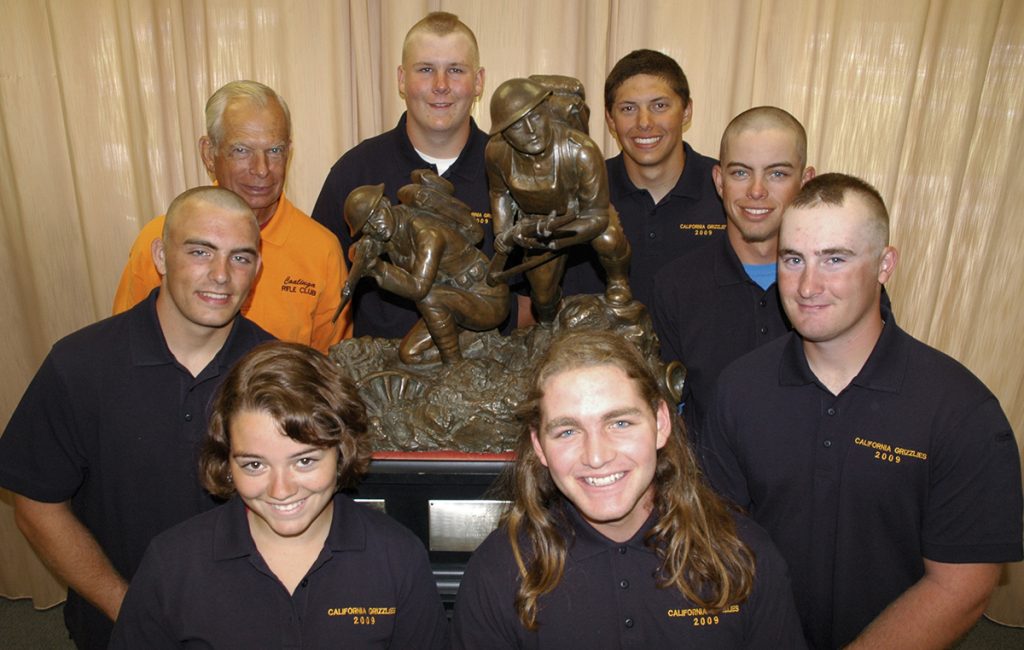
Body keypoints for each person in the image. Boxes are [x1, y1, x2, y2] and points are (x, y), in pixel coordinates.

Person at [700, 173, 1023, 649]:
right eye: (793, 260)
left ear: (884, 264)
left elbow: (961, 585)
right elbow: (719, 539)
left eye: (835, 259)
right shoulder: (739, 389)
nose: (808, 285)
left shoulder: (960, 409)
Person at [0, 187, 274, 649]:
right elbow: (36, 503)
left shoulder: (279, 371)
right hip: (118, 624)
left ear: (257, 270)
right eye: (201, 251)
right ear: (162, 256)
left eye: (241, 258)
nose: (222, 275)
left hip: (250, 626)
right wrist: (128, 606)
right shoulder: (79, 365)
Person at [452, 330, 805, 648]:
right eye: (568, 431)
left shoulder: (743, 554)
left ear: (661, 424)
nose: (596, 456)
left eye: (620, 423)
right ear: (539, 446)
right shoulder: (498, 573)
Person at [109, 341, 449, 648]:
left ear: (341, 451)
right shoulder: (171, 564)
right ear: (227, 461)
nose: (281, 490)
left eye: (304, 461)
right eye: (255, 465)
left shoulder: (398, 557)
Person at [313, 12, 517, 336]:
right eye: (425, 69)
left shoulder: (512, 169)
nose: (440, 85)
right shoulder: (353, 172)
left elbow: (536, 299)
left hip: (488, 373)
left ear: (478, 81)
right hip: (380, 380)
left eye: (455, 70)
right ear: (401, 79)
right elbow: (323, 293)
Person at [112, 80, 348, 354]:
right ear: (209, 154)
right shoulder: (163, 239)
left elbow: (329, 366)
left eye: (274, 150)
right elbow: (124, 348)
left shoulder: (321, 251)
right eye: (241, 150)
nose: (261, 169)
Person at [651, 106, 815, 429]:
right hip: (707, 478)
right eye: (740, 172)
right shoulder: (675, 286)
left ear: (805, 181)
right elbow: (666, 414)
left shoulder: (839, 285)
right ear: (719, 181)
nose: (756, 190)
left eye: (777, 173)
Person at [562, 49, 727, 309]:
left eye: (659, 106)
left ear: (686, 111)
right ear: (610, 120)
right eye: (628, 108)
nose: (644, 122)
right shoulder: (577, 192)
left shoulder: (727, 192)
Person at [487, 78, 632, 323]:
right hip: (536, 222)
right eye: (517, 126)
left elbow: (597, 216)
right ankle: (548, 327)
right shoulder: (496, 152)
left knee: (608, 237)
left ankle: (618, 282)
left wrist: (555, 239)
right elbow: (499, 193)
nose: (531, 132)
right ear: (504, 133)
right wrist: (504, 233)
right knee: (542, 297)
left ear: (547, 111)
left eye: (535, 117)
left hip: (582, 217)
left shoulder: (581, 150)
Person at [342, 178, 508, 364]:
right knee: (410, 355)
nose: (375, 227)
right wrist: (360, 252)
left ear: (386, 203)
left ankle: (454, 364)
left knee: (429, 297)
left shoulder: (427, 233)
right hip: (453, 302)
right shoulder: (387, 229)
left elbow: (419, 289)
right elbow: (357, 250)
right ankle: (476, 342)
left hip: (485, 299)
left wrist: (379, 268)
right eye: (366, 226)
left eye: (376, 216)